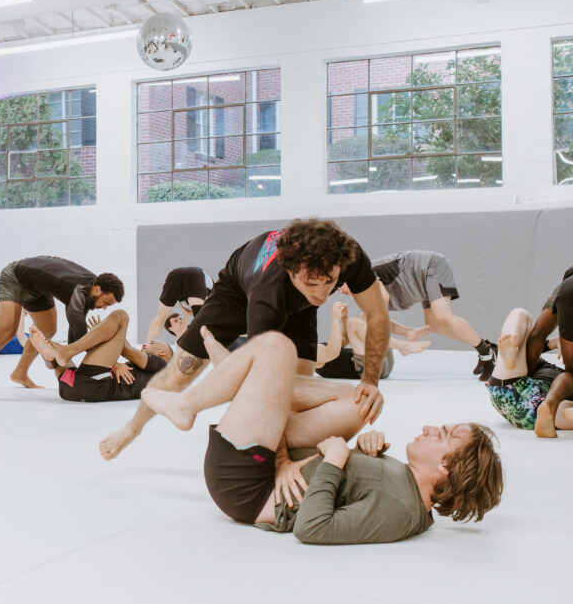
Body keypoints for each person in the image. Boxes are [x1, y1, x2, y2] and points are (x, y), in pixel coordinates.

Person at [141, 329, 504, 544]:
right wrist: (364, 448)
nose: (429, 428)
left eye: (441, 434)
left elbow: (314, 528)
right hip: (272, 463)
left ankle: (212, 391)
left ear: (445, 465)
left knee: (276, 347)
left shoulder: (401, 512)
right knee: (361, 403)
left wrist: (334, 460)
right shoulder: (407, 491)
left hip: (246, 486)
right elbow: (359, 484)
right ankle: (242, 377)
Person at [99, 218, 390, 460]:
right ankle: (131, 428)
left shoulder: (349, 256)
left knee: (299, 389)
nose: (322, 294)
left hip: (297, 307)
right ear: (291, 271)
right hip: (236, 292)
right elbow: (263, 388)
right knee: (178, 375)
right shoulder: (269, 293)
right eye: (312, 283)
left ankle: (293, 452)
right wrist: (282, 464)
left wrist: (370, 381)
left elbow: (377, 315)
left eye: (330, 282)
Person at [0, 256, 124, 401]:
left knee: (48, 329)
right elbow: (78, 339)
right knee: (5, 333)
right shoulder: (78, 296)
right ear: (97, 289)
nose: (104, 308)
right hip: (15, 277)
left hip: (37, 287)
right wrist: (112, 362)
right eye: (106, 303)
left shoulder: (93, 287)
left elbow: (77, 341)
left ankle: (20, 373)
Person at [343, 250, 497, 381]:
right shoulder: (363, 285)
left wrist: (379, 328)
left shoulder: (363, 273)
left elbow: (382, 301)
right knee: (435, 325)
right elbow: (374, 315)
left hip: (430, 267)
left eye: (340, 284)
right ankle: (486, 348)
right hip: (421, 281)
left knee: (442, 316)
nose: (340, 290)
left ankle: (487, 355)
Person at [488, 306, 573, 432]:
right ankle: (511, 352)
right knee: (521, 314)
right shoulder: (548, 366)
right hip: (510, 387)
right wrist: (553, 343)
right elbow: (531, 350)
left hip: (542, 414)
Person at [28, 309, 172, 402]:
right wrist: (102, 333)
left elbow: (127, 350)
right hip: (72, 388)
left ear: (162, 352)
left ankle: (64, 352)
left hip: (96, 385)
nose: (145, 345)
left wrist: (103, 333)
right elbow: (123, 346)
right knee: (58, 359)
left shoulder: (161, 365)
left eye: (152, 343)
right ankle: (50, 357)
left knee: (121, 316)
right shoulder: (147, 371)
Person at [315, 302, 430, 380]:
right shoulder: (311, 355)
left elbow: (344, 339)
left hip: (381, 362)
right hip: (369, 370)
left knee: (367, 316)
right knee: (353, 323)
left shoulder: (315, 347)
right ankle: (402, 346)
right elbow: (332, 352)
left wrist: (343, 318)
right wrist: (335, 320)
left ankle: (408, 332)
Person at [144, 266, 212, 343]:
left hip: (176, 274)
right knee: (201, 324)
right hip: (196, 275)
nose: (180, 320)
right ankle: (147, 347)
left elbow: (183, 336)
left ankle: (147, 346)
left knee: (160, 317)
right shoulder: (213, 301)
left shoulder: (187, 325)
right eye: (177, 320)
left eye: (179, 319)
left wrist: (187, 315)